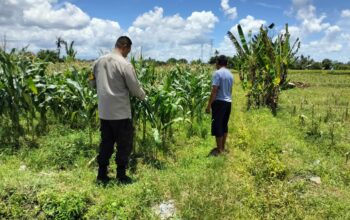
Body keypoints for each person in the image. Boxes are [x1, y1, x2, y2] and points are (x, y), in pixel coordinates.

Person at [90, 36, 146, 184]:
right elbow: (135, 89)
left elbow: (91, 84)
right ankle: (121, 175)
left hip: (104, 112)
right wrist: (143, 96)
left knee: (106, 143)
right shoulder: (125, 64)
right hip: (120, 113)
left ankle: (102, 174)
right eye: (129, 50)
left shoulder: (98, 62)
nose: (128, 53)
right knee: (124, 143)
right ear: (125, 47)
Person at [205, 55, 233, 156]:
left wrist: (209, 105)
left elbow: (214, 90)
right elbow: (230, 90)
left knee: (218, 126)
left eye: (216, 63)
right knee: (224, 125)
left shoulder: (217, 73)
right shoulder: (230, 74)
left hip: (219, 102)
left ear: (218, 63)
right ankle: (222, 147)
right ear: (226, 63)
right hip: (228, 102)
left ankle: (219, 150)